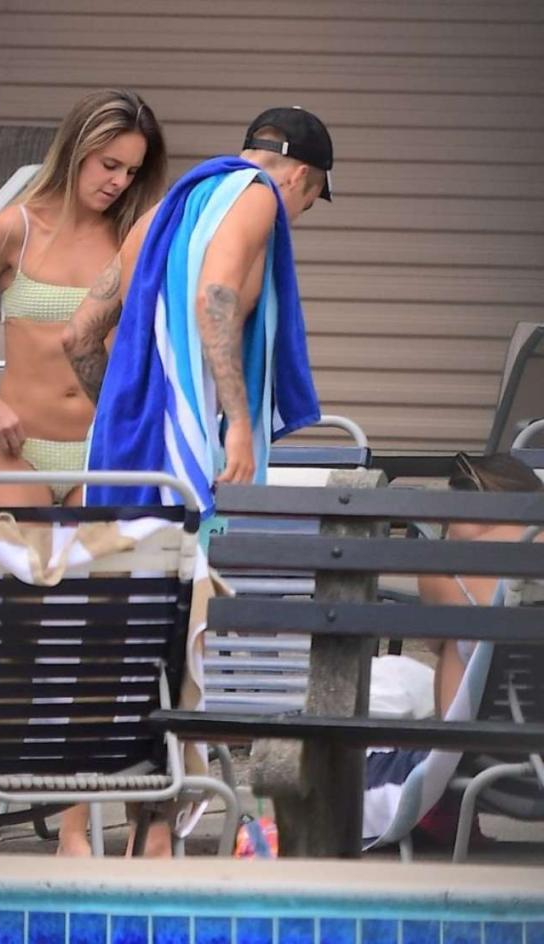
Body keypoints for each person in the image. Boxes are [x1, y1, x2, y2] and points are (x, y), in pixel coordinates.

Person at [0, 88, 167, 856]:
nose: (117, 181)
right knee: (1, 637)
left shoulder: (133, 238)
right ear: (76, 148)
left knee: (91, 644)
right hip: (17, 456)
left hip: (96, 456)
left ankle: (75, 828)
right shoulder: (14, 228)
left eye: (131, 171)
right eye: (108, 163)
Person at [62, 105, 333, 518]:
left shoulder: (163, 214)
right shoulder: (258, 195)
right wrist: (239, 425)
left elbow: (78, 335)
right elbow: (212, 300)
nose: (291, 220)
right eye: (305, 206)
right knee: (191, 561)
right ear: (297, 177)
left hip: (119, 446)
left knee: (126, 561)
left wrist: (130, 415)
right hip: (180, 450)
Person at [363, 452, 544, 847]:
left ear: (476, 504)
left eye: (450, 513)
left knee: (445, 650)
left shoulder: (449, 569)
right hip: (532, 766)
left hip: (485, 760)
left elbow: (434, 646)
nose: (445, 527)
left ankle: (435, 816)